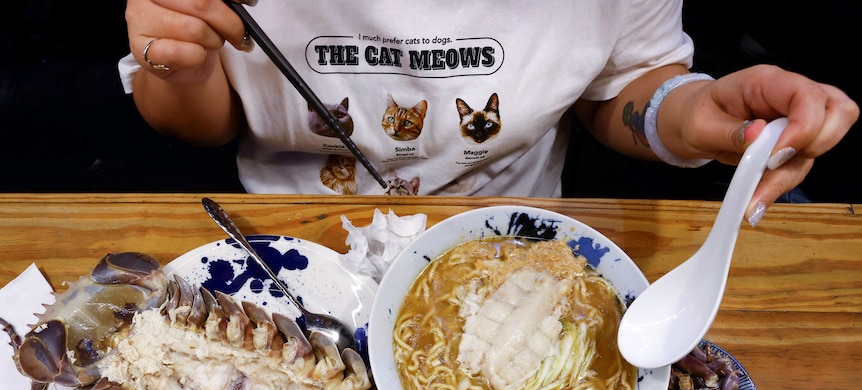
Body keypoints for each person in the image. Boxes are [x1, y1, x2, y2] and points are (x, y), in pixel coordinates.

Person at [121, 0, 857, 225]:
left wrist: (690, 111)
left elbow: (625, 84)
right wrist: (179, 63)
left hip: (513, 237)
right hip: (289, 239)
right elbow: (201, 122)